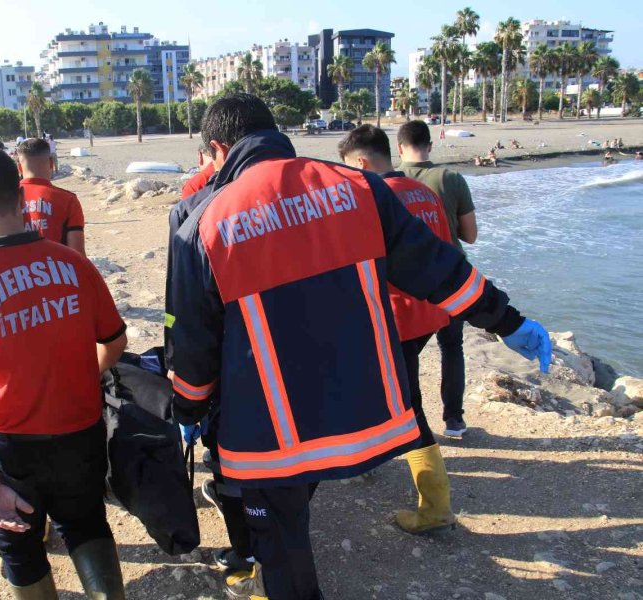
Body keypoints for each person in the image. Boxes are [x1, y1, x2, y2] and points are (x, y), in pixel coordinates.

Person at [169, 94, 551, 600]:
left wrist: (189, 405)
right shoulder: (359, 189)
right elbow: (442, 273)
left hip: (268, 430)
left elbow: (193, 338)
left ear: (219, 149)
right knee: (300, 499)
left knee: (282, 546)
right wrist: (509, 322)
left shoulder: (203, 222)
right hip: (353, 413)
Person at [0, 146, 128, 599]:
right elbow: (115, 342)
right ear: (21, 196)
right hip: (81, 433)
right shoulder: (74, 264)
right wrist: (86, 377)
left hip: (13, 446)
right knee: (86, 525)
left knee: (19, 549)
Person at [338, 124, 460, 534]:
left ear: (361, 162)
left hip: (396, 316)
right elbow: (445, 251)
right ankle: (371, 456)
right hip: (431, 313)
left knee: (408, 404)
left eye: (350, 169)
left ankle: (436, 507)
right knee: (388, 389)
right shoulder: (424, 192)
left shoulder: (371, 196)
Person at [165, 143, 252, 576]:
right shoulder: (284, 195)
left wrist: (183, 386)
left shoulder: (193, 205)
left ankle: (247, 550)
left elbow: (179, 303)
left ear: (211, 152)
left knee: (225, 452)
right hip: (268, 358)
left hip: (221, 359)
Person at [398, 119, 478, 439]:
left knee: (406, 353)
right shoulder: (450, 178)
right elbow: (470, 235)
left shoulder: (387, 181)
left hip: (406, 282)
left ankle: (411, 423)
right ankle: (454, 420)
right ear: (430, 145)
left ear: (400, 147)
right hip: (450, 278)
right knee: (452, 348)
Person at [16, 138, 85, 255]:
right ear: (51, 164)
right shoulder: (68, 200)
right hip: (56, 269)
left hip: (15, 271)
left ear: (19, 167)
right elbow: (78, 254)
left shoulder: (4, 199)